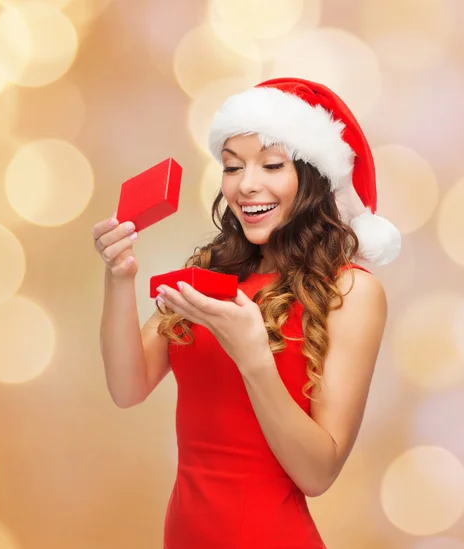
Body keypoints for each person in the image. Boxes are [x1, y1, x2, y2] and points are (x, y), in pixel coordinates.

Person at [92, 77, 401, 548]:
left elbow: (318, 473)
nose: (247, 185)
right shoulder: (210, 275)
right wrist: (118, 277)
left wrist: (253, 356)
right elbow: (127, 387)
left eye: (272, 164)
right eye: (232, 167)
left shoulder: (351, 291)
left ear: (313, 176)